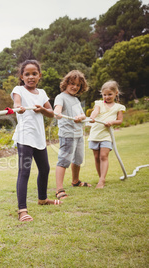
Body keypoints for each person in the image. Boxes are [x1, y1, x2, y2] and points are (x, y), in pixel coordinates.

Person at [11, 60, 61, 222]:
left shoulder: (42, 93)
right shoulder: (18, 90)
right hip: (25, 137)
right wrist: (19, 107)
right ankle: (22, 210)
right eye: (27, 74)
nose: (31, 77)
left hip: (39, 137)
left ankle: (42, 199)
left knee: (45, 169)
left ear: (39, 76)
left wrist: (42, 110)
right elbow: (16, 103)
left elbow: (51, 113)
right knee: (24, 171)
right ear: (22, 76)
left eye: (34, 74)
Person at [53, 70, 91, 200]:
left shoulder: (75, 99)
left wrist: (81, 117)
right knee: (64, 161)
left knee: (78, 159)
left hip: (78, 134)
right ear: (66, 83)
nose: (75, 87)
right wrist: (57, 112)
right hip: (67, 135)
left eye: (78, 85)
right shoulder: (61, 97)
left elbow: (82, 114)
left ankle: (75, 181)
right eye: (72, 84)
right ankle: (59, 190)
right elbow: (57, 109)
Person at [88, 80, 125, 189]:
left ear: (116, 93)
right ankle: (101, 177)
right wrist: (92, 117)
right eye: (104, 94)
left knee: (103, 156)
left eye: (110, 94)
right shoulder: (98, 104)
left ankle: (102, 180)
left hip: (106, 136)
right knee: (96, 157)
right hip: (95, 134)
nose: (107, 97)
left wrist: (112, 122)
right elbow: (95, 111)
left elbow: (120, 121)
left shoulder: (119, 107)